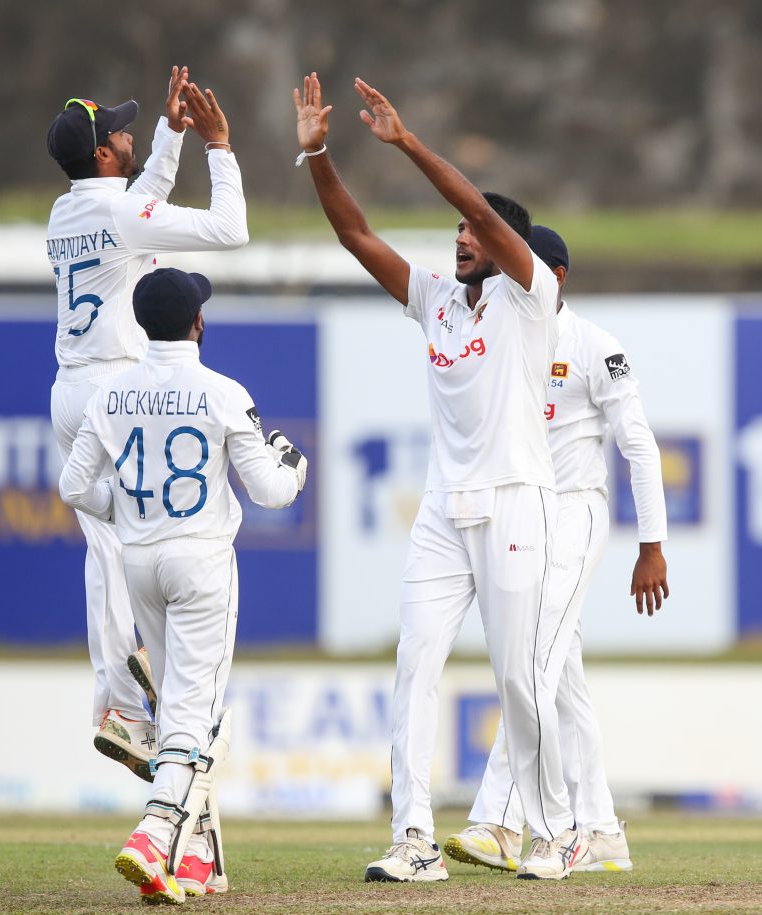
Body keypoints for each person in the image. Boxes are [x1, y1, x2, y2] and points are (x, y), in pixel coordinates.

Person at [294, 73, 579, 881]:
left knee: (518, 681)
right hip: (444, 512)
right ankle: (413, 838)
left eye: (470, 232)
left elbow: (490, 213)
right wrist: (317, 155)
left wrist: (409, 141)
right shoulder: (438, 302)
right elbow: (356, 235)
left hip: (518, 502)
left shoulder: (534, 296)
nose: (459, 238)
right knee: (415, 663)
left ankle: (552, 833)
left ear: (504, 247)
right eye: (454, 230)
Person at [58, 267, 307, 903]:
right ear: (198, 323)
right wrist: (294, 463)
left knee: (181, 710)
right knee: (197, 716)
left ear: (141, 324)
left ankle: (197, 858)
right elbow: (273, 493)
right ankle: (156, 829)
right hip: (201, 563)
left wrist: (123, 507)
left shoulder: (109, 396)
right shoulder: (223, 392)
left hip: (140, 562)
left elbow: (73, 487)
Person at [445, 226, 670, 874]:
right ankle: (599, 827)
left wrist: (651, 545)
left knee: (532, 660)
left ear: (558, 275)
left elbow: (639, 446)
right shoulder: (501, 338)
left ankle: (498, 819)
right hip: (521, 512)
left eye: (530, 266)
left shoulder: (596, 346)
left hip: (575, 511)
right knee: (561, 675)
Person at [45, 67, 249, 779]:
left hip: (71, 387)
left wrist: (167, 134)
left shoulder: (67, 211)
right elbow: (229, 227)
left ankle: (120, 698)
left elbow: (140, 201)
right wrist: (217, 147)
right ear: (103, 156)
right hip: (112, 386)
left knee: (106, 552)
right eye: (121, 133)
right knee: (121, 554)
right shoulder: (121, 214)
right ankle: (126, 704)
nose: (128, 136)